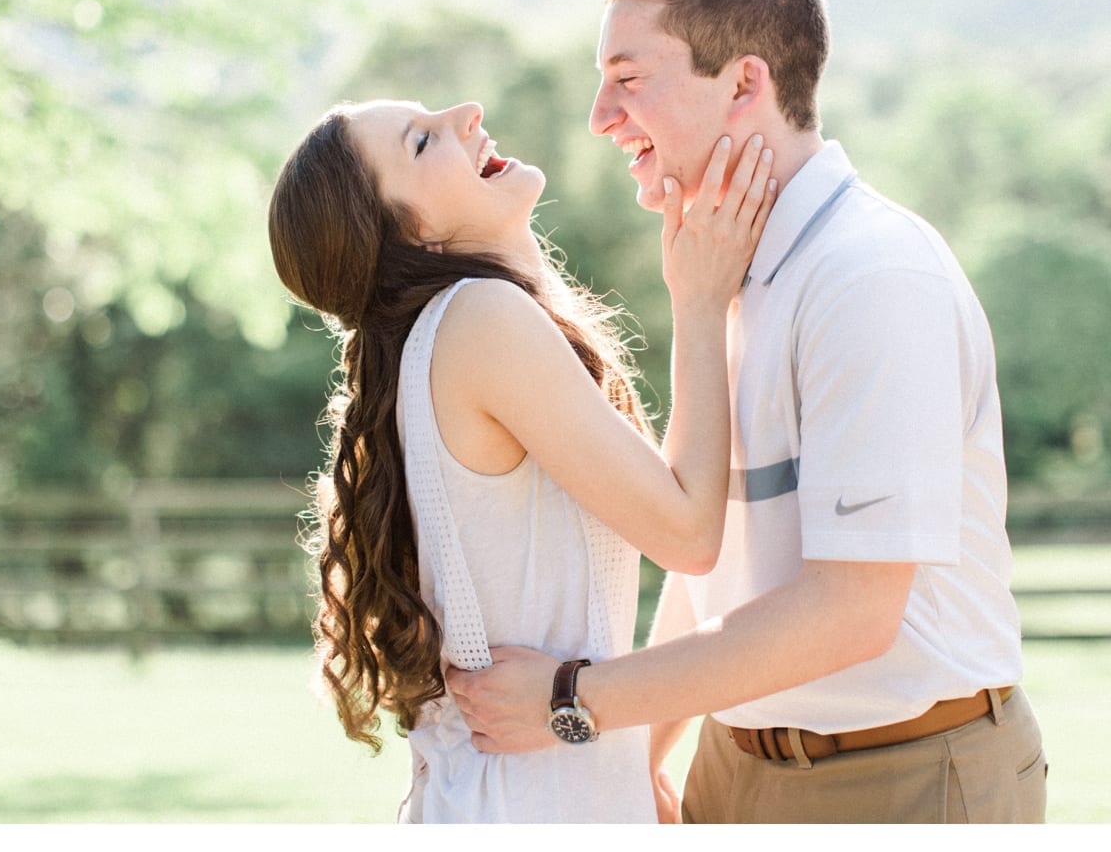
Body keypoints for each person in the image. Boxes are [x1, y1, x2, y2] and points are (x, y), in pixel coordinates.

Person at [445, 0, 1048, 824]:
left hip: (905, 778)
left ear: (743, 84)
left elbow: (850, 611)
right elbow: (717, 566)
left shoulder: (870, 278)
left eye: (629, 77)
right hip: (731, 771)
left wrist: (576, 698)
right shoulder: (729, 273)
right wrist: (628, 762)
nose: (599, 116)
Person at [266, 96, 776, 822]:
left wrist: (632, 760)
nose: (466, 113)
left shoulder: (465, 328)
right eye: (421, 141)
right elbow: (690, 534)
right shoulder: (481, 322)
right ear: (416, 236)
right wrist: (701, 300)